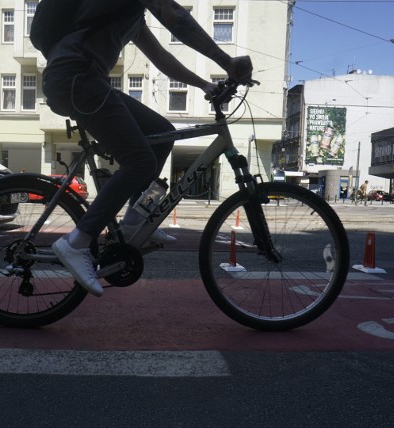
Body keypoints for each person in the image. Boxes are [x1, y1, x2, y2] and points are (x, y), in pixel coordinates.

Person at [41, 0, 253, 297]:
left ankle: (134, 221)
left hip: (84, 78)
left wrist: (205, 85)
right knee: (139, 161)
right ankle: (75, 242)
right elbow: (175, 16)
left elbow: (162, 58)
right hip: (77, 78)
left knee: (163, 133)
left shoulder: (131, 16)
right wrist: (226, 61)